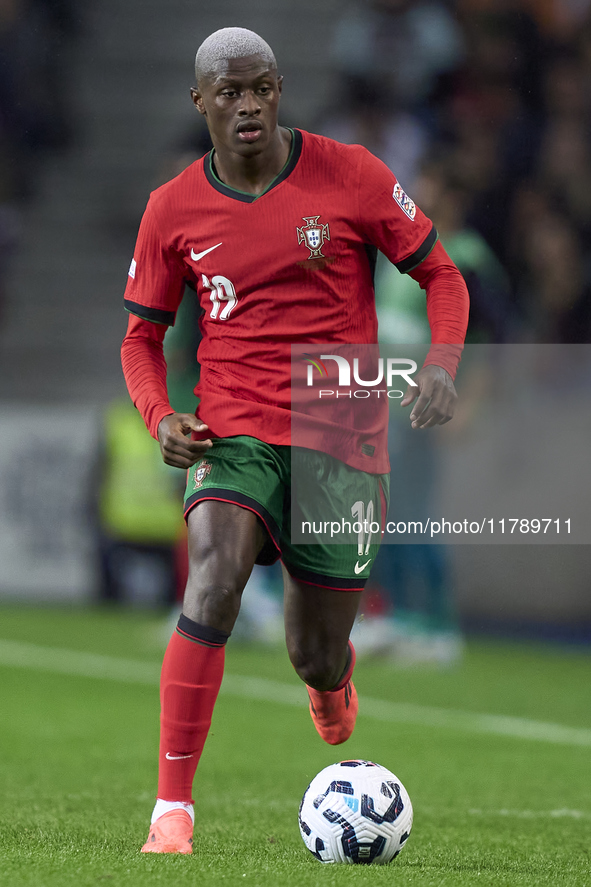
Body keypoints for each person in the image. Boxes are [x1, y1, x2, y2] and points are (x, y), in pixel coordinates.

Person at [121, 27, 469, 855]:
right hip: (231, 422)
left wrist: (441, 365)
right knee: (213, 576)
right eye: (229, 91)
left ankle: (329, 679)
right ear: (199, 101)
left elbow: (441, 275)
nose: (247, 105)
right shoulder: (172, 207)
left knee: (314, 652)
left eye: (261, 88)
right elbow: (140, 336)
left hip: (336, 424)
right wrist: (159, 413)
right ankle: (173, 808)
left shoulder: (350, 173)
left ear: (278, 90)